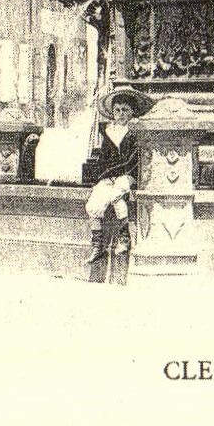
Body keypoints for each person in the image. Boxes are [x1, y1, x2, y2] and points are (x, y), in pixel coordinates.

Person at [84, 88, 150, 284]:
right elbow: (103, 160)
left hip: (128, 176)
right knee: (94, 203)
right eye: (117, 110)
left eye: (125, 110)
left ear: (132, 113)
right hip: (109, 177)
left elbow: (133, 160)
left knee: (116, 195)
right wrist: (105, 176)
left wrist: (117, 175)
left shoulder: (134, 134)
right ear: (113, 113)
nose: (121, 114)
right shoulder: (107, 132)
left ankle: (124, 236)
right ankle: (97, 243)